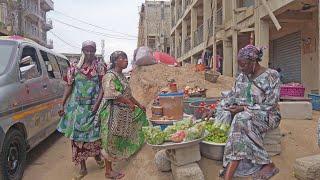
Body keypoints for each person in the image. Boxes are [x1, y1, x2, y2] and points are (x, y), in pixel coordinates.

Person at [208, 44, 281, 180]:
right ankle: (241, 165)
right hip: (246, 114)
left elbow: (271, 105)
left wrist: (244, 108)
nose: (241, 68)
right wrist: (215, 108)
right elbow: (232, 96)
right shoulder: (242, 76)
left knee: (241, 118)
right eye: (239, 65)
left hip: (269, 115)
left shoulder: (272, 76)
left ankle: (233, 171)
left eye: (244, 65)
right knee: (227, 114)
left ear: (254, 62)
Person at [92, 51, 147, 179]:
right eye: (122, 58)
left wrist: (139, 105)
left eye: (126, 58)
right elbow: (110, 93)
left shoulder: (121, 76)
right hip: (111, 113)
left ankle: (114, 163)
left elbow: (128, 94)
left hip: (121, 113)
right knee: (109, 140)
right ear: (115, 61)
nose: (126, 60)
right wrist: (128, 102)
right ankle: (108, 171)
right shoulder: (109, 76)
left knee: (116, 139)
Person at [57, 41, 106, 180]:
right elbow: (69, 86)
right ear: (82, 51)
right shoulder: (74, 68)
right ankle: (83, 168)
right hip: (77, 109)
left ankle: (97, 156)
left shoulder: (100, 67)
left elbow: (103, 87)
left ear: (95, 51)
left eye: (92, 50)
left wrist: (97, 104)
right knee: (77, 139)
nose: (90, 53)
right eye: (87, 50)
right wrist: (62, 104)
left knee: (95, 136)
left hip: (93, 107)